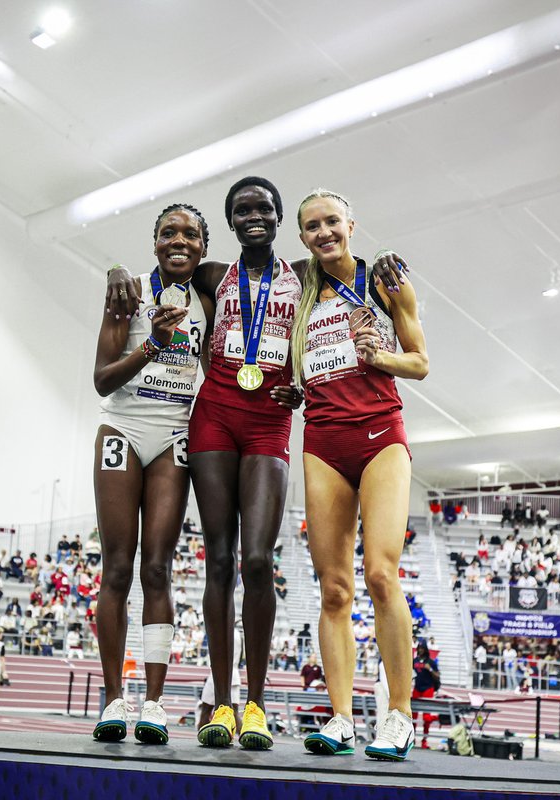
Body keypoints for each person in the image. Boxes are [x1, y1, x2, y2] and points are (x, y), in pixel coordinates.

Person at [106, 178, 407, 751]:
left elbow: (344, 258)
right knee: (218, 558)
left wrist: (383, 257)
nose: (254, 217)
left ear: (278, 218)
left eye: (264, 208)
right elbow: (167, 259)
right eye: (242, 210)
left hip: (270, 421)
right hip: (214, 417)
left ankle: (257, 705)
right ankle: (221, 701)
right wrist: (117, 268)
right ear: (231, 219)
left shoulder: (301, 273)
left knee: (257, 559)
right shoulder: (213, 274)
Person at [290, 189, 427, 762]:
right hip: (322, 440)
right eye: (311, 226)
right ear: (301, 238)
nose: (323, 232)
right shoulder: (297, 289)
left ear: (351, 224)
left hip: (379, 436)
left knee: (379, 575)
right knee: (334, 589)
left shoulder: (385, 279)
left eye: (331, 222)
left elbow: (419, 361)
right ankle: (342, 717)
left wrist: (378, 358)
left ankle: (399, 715)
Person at [91, 204, 210, 746]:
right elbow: (102, 379)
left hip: (174, 437)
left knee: (158, 569)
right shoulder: (129, 292)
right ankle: (114, 698)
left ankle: (155, 705)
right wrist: (155, 346)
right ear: (154, 241)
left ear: (204, 247)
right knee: (117, 567)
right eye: (168, 233)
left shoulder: (209, 301)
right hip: (122, 429)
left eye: (190, 235)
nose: (178, 241)